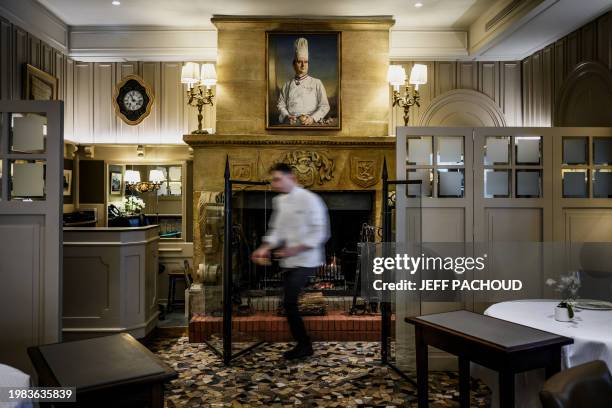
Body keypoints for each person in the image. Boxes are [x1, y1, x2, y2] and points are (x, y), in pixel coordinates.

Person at [251, 163, 330, 359]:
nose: (274, 184)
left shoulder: (311, 200)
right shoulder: (280, 202)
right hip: (289, 261)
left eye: (277, 179)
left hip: (307, 260)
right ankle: (303, 344)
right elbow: (277, 230)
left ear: (292, 178)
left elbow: (321, 233)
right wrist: (264, 248)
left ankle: (304, 345)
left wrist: (295, 248)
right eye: (273, 180)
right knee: (288, 303)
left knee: (289, 302)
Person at [276, 37, 330, 125]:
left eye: (305, 62)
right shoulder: (287, 85)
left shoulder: (317, 83)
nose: (303, 65)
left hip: (311, 124)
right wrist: (287, 116)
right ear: (293, 65)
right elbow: (280, 105)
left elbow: (325, 106)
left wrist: (313, 118)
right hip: (291, 124)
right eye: (299, 62)